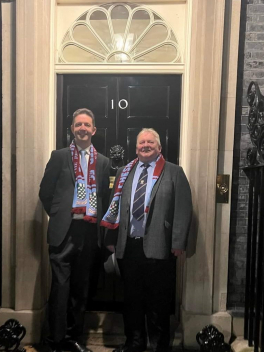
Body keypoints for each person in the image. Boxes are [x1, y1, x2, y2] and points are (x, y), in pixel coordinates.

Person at [101, 128, 192, 352]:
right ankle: (135, 343)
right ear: (136, 147)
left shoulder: (174, 172)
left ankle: (159, 345)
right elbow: (115, 206)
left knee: (158, 302)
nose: (145, 145)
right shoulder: (124, 172)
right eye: (142, 142)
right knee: (132, 300)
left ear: (159, 147)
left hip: (159, 246)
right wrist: (111, 237)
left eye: (150, 142)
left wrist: (178, 242)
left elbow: (183, 208)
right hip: (128, 245)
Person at [39, 108, 110, 352]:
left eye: (86, 125)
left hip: (89, 232)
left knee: (81, 289)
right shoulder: (59, 156)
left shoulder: (103, 162)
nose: (82, 128)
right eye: (78, 124)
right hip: (64, 230)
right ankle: (55, 340)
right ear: (72, 129)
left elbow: (103, 194)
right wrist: (59, 215)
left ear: (93, 130)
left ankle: (73, 338)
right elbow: (45, 192)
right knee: (60, 287)